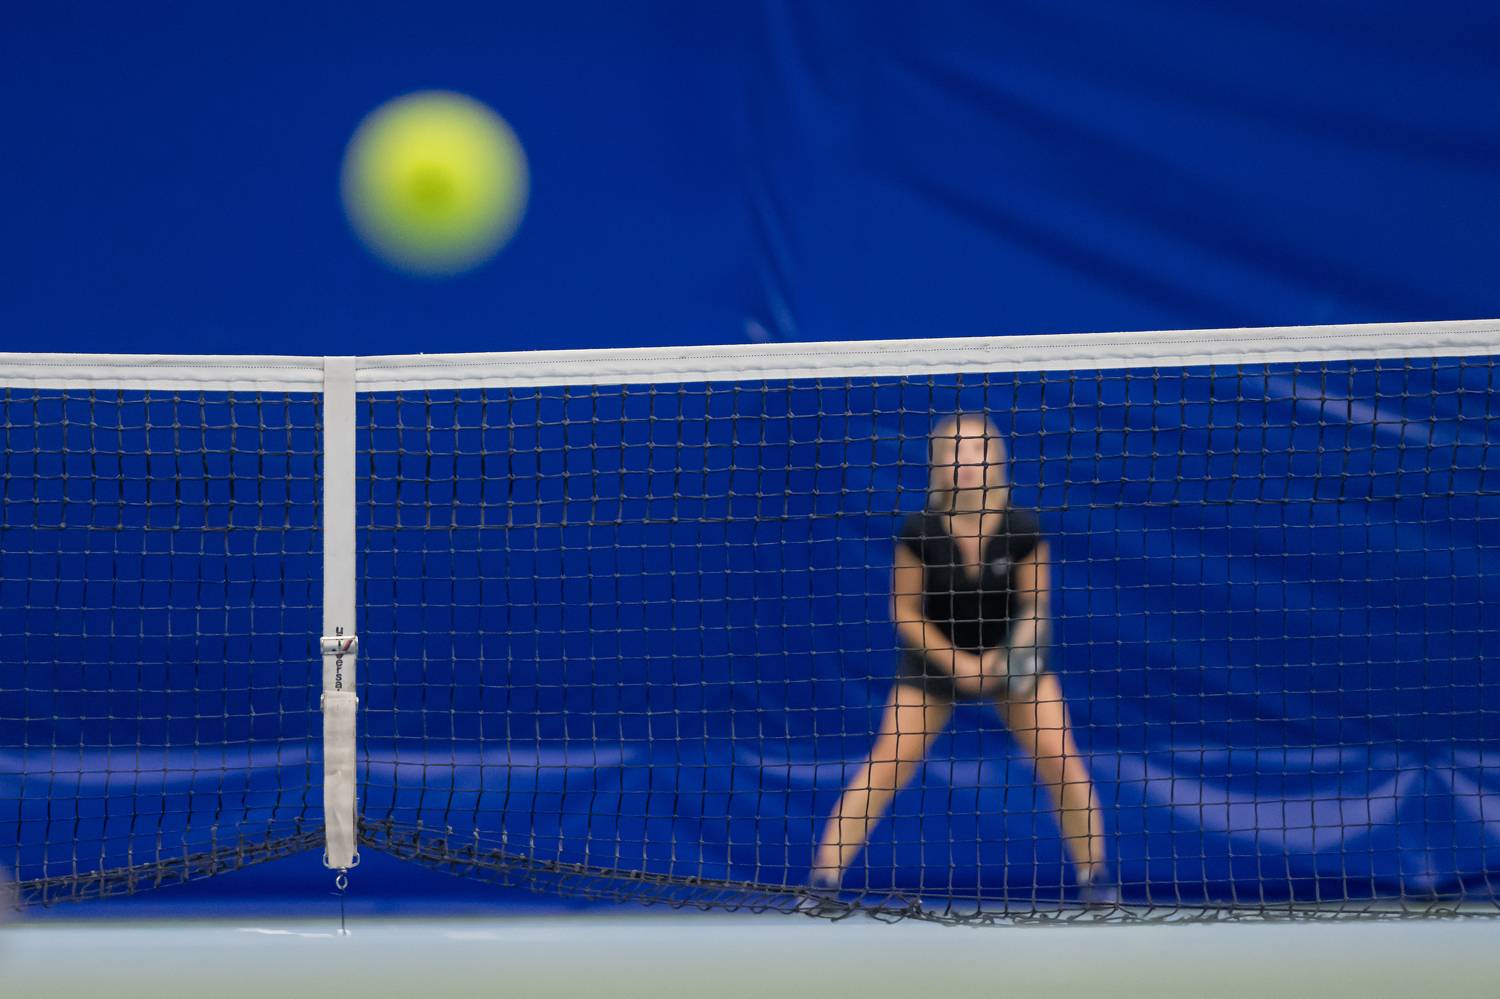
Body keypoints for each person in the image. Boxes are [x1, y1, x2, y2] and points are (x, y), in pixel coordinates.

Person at [809, 413, 1115, 906]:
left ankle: (1096, 880)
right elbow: (904, 610)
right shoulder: (920, 531)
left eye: (978, 449)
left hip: (1013, 656)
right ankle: (822, 883)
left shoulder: (1022, 528)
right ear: (938, 463)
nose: (967, 460)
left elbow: (1035, 608)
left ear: (996, 459)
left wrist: (1003, 660)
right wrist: (957, 663)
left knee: (1059, 757)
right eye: (955, 450)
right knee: (890, 759)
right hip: (934, 655)